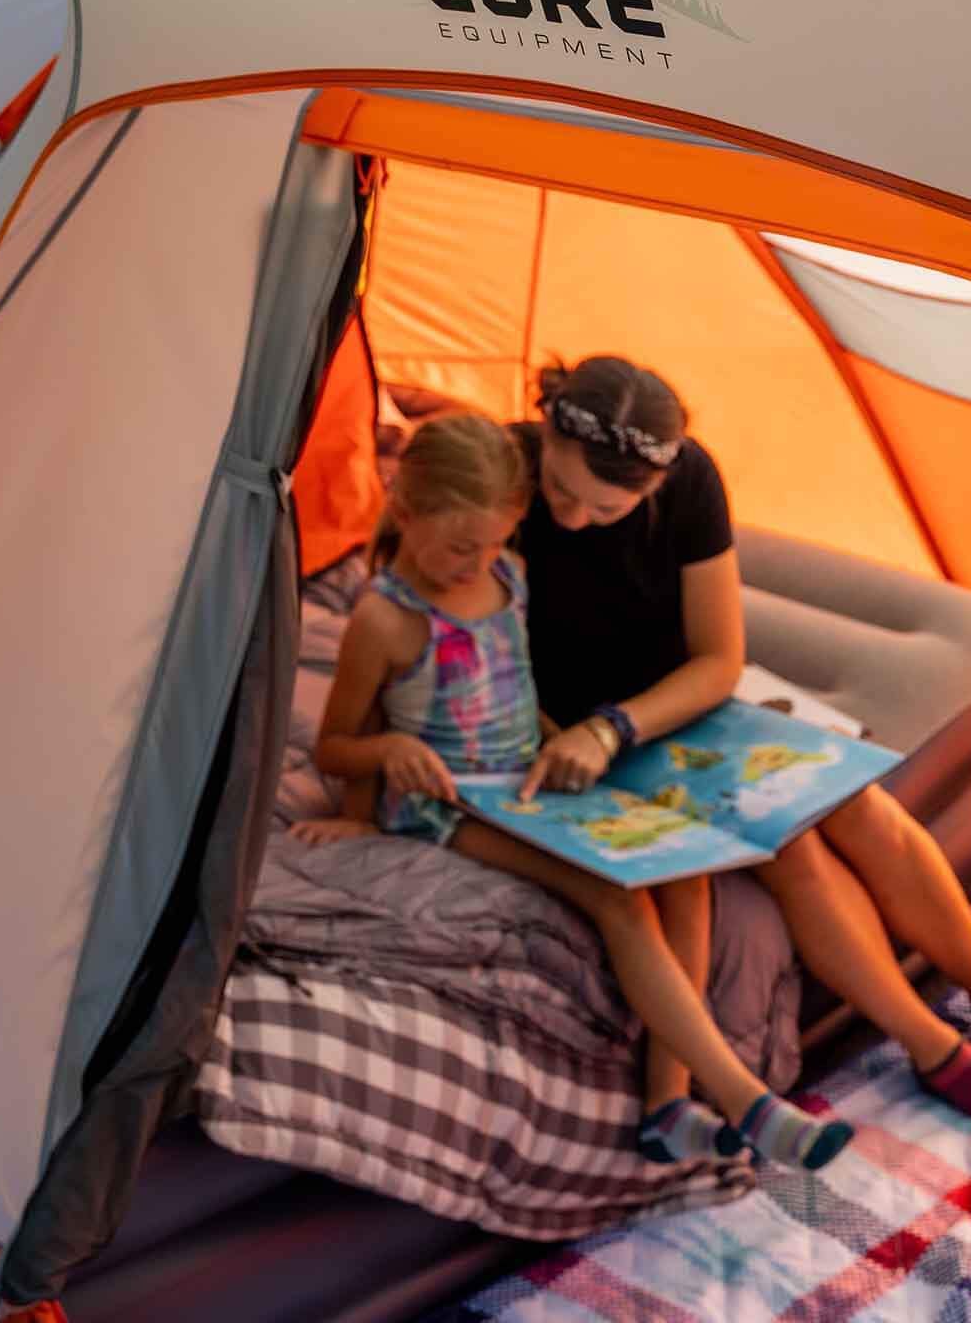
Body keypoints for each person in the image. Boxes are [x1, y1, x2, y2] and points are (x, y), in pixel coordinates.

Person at [512, 356, 971, 1134]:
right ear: (545, 435)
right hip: (566, 724)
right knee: (793, 846)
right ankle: (934, 1048)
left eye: (604, 510)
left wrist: (621, 726)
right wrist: (573, 735)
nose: (571, 518)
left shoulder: (691, 481)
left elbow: (718, 660)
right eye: (560, 490)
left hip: (671, 702)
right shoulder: (507, 471)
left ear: (651, 488)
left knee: (852, 804)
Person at [293, 411, 854, 1172]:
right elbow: (333, 745)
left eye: (497, 539)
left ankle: (667, 1107)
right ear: (403, 507)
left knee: (675, 871)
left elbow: (509, 691)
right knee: (616, 900)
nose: (481, 560)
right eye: (463, 545)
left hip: (523, 778)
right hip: (446, 803)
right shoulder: (385, 620)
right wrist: (389, 757)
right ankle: (745, 1097)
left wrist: (568, 742)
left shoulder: (508, 577)